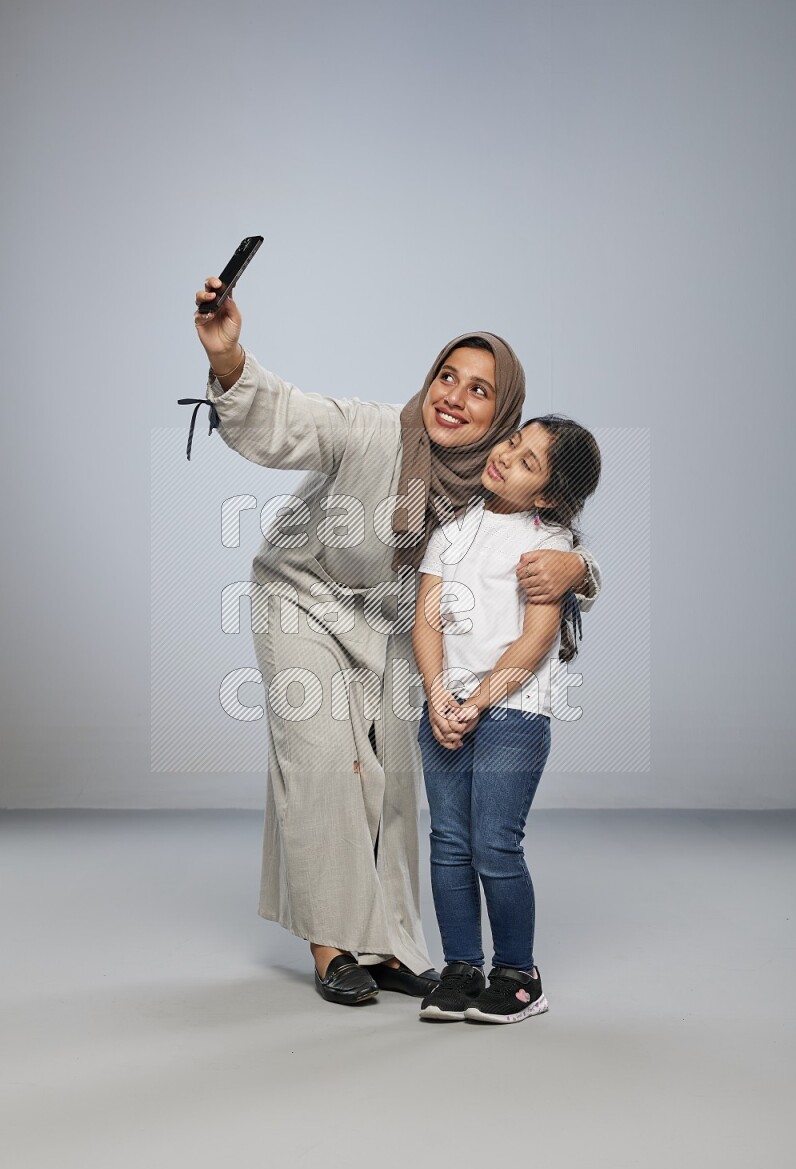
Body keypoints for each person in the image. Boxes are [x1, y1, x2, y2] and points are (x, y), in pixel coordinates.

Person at [186, 275, 602, 1005]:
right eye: (448, 376)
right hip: (304, 597)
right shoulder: (375, 429)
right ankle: (332, 946)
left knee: (397, 783)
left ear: (503, 417)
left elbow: (552, 533)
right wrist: (228, 359)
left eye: (479, 391)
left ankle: (383, 946)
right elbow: (285, 417)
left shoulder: (495, 481)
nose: (453, 396)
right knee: (324, 764)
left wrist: (580, 568)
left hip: (400, 626)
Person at [413, 415, 601, 1023]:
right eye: (513, 442)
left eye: (527, 462)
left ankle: (518, 975)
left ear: (546, 494)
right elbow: (427, 620)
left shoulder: (549, 546)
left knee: (495, 843)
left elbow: (536, 640)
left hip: (511, 713)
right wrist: (438, 695)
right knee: (448, 843)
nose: (507, 456)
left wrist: (476, 702)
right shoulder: (452, 530)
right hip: (446, 709)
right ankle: (462, 968)